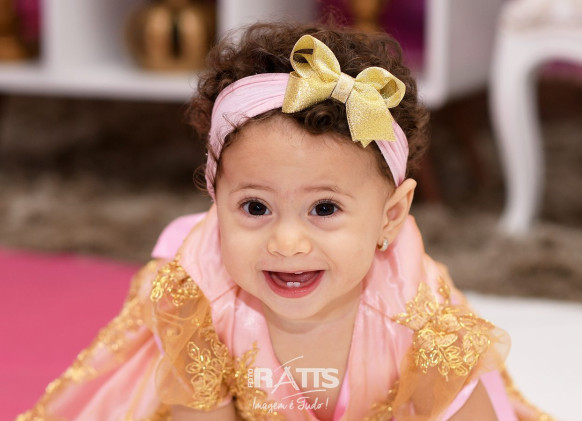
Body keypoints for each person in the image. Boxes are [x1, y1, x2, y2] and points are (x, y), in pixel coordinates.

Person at [18, 22, 552, 421]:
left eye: (325, 209)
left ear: (390, 216)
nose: (288, 242)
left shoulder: (417, 316)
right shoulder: (197, 300)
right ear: (215, 198)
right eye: (255, 207)